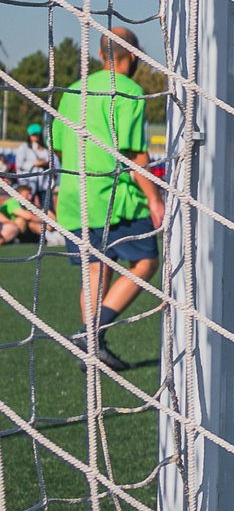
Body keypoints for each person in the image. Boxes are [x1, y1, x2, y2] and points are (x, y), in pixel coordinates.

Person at [56, 26, 161, 373]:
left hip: (74, 197)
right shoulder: (129, 90)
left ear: (101, 55)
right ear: (133, 56)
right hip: (112, 197)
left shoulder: (72, 92)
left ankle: (94, 351)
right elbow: (135, 156)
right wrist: (155, 200)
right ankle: (90, 336)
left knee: (95, 272)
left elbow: (58, 147)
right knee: (146, 262)